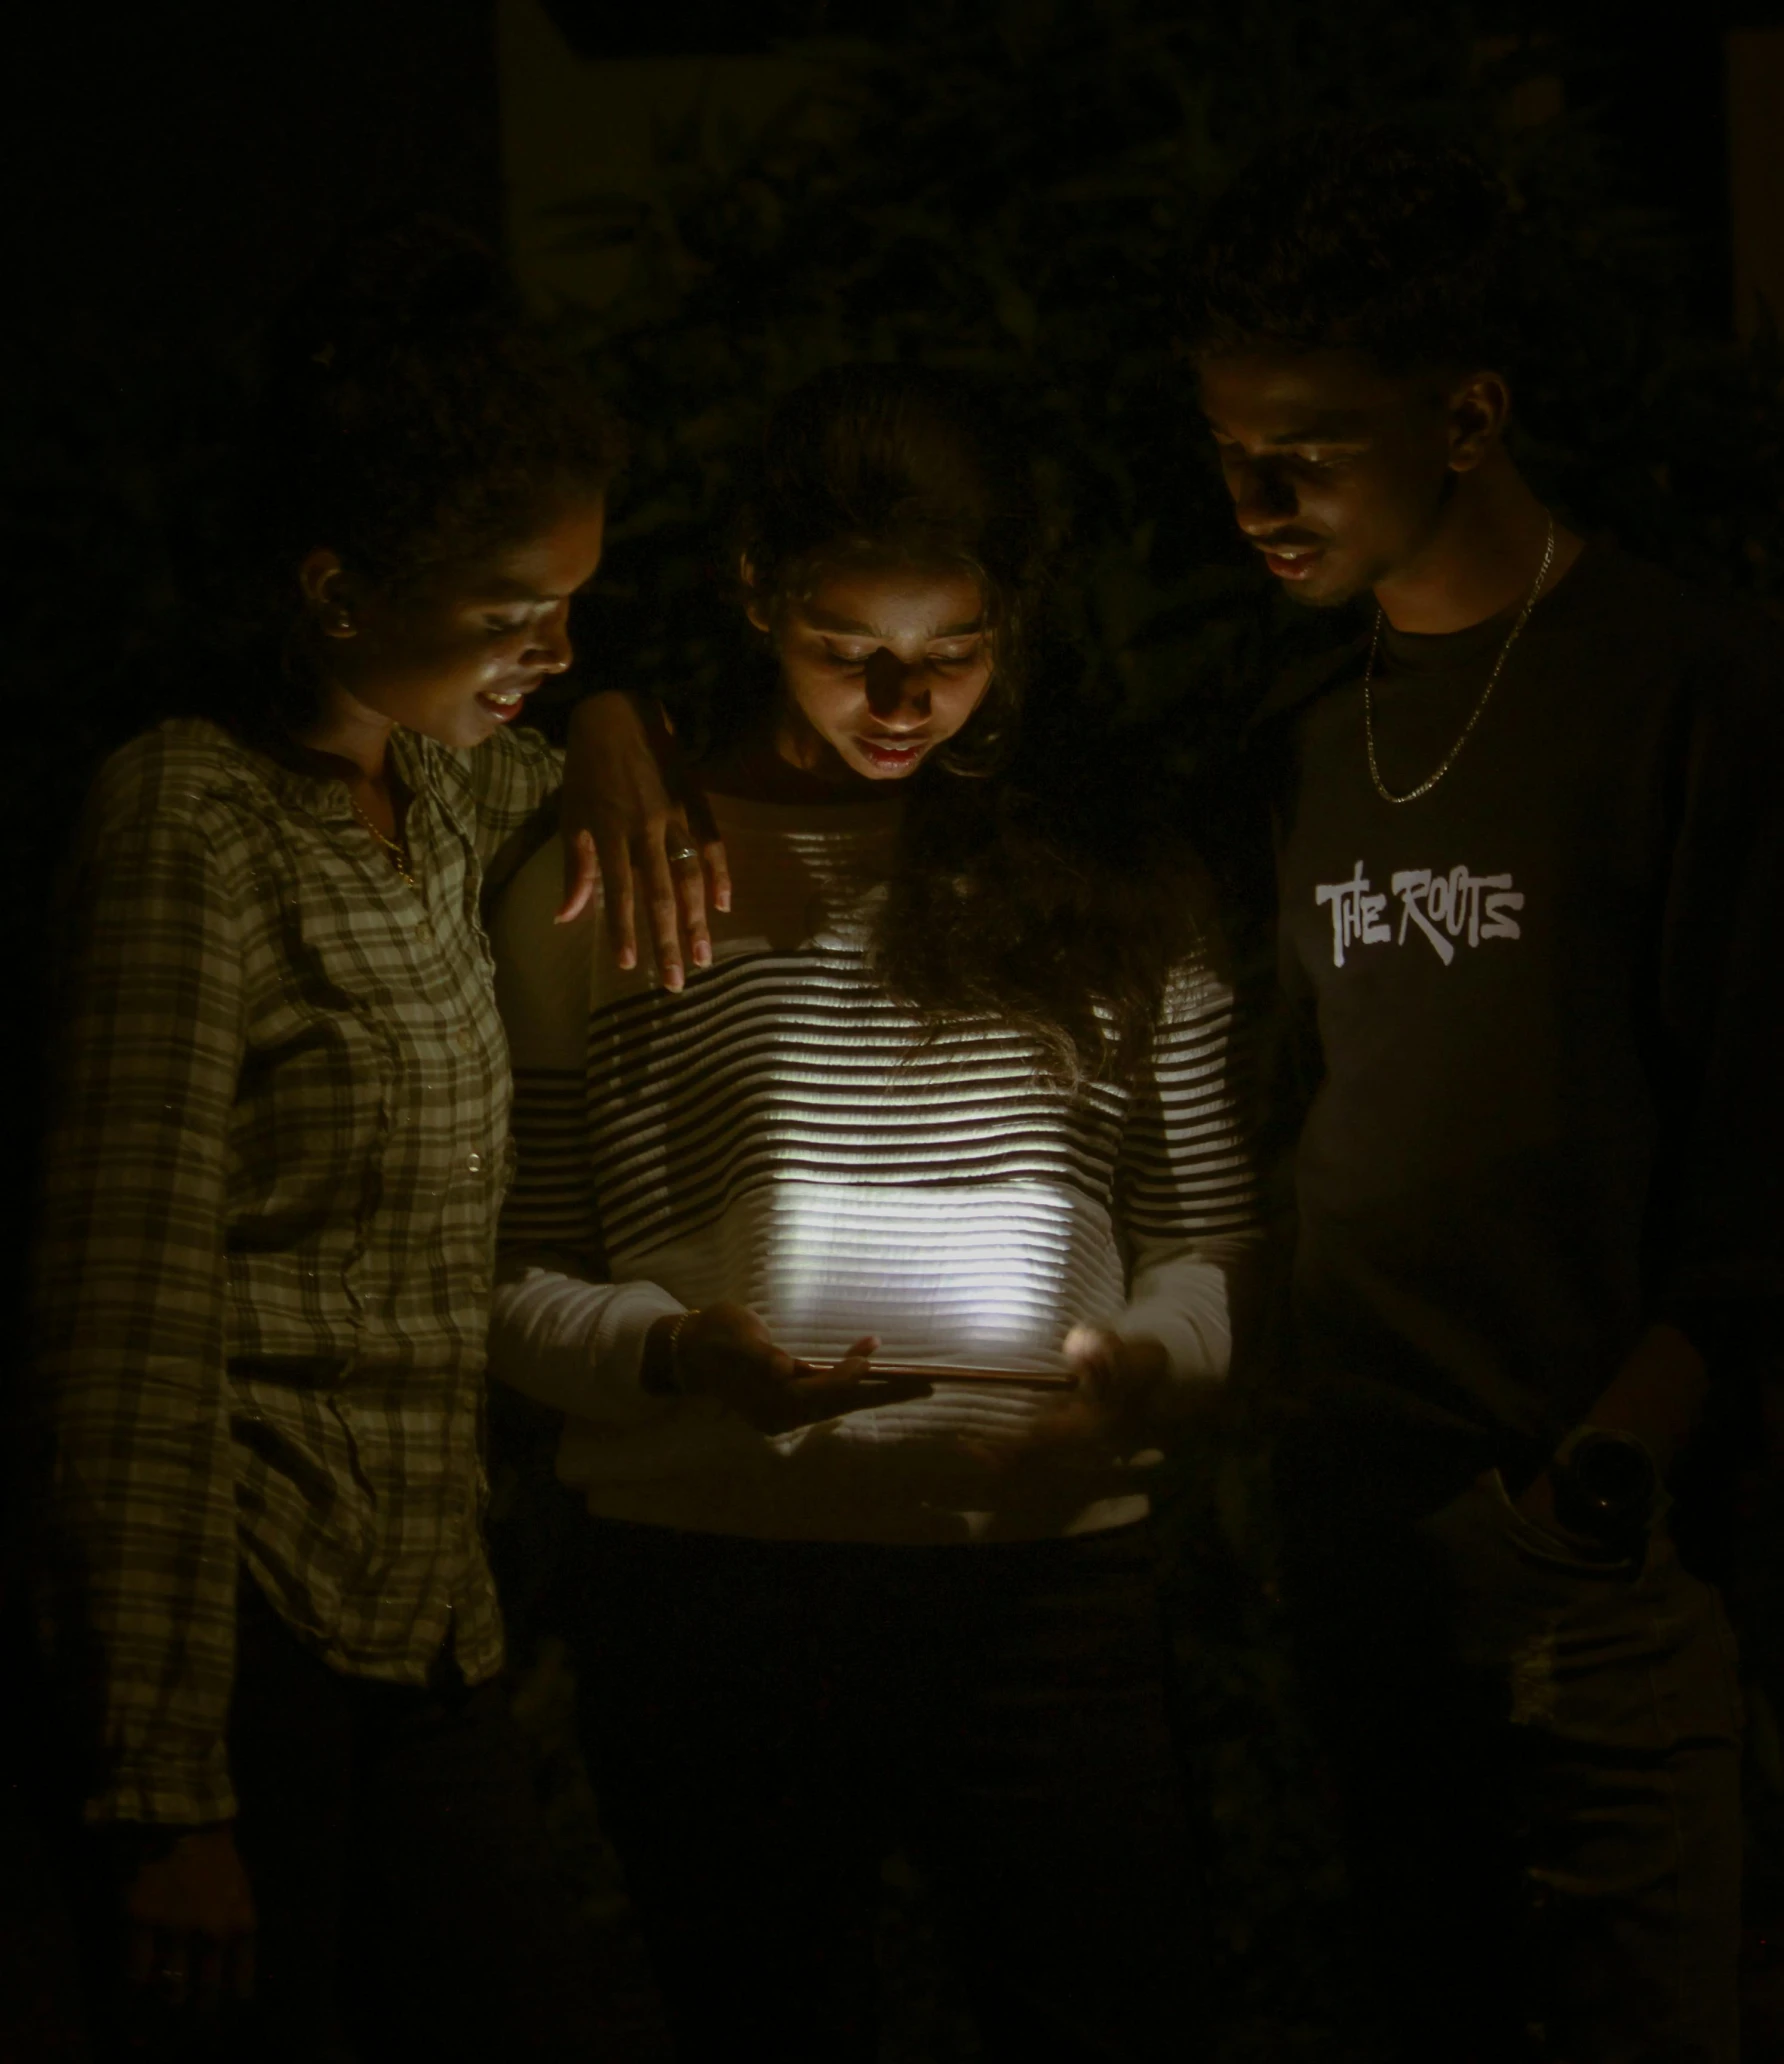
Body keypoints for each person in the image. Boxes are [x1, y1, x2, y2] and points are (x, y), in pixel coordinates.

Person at [486, 363, 1259, 2062]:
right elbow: (521, 1275)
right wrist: (680, 1356)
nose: (906, 699)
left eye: (955, 651)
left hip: (1043, 1594)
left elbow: (1210, 1239)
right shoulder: (618, 867)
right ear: (757, 597)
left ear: (1016, 624)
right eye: (851, 649)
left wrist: (1141, 1368)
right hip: (710, 1593)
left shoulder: (1120, 879)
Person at [1184, 127, 1780, 2063]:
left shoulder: (1683, 690)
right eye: (1226, 449)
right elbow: (1284, 1108)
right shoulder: (1296, 733)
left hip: (1597, 1540)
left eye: (1312, 446)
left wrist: (1612, 1464)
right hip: (1358, 1533)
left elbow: (1760, 1127)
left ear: (1467, 416)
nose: (1256, 496)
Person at [29, 220, 625, 2062]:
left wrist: (612, 718)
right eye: (514, 617)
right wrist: (165, 1790)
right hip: (253, 1626)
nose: (551, 649)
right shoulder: (188, 827)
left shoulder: (439, 785)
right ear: (337, 590)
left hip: (431, 1615)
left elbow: (570, 747)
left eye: (575, 609)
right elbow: (120, 1321)